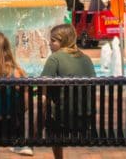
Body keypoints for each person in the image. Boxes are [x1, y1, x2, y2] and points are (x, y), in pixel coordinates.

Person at [40, 24, 96, 159]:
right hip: (85, 121)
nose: (49, 44)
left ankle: (30, 139)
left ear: (63, 41)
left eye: (53, 41)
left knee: (44, 99)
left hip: (62, 122)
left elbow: (42, 87)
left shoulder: (55, 58)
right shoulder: (86, 59)